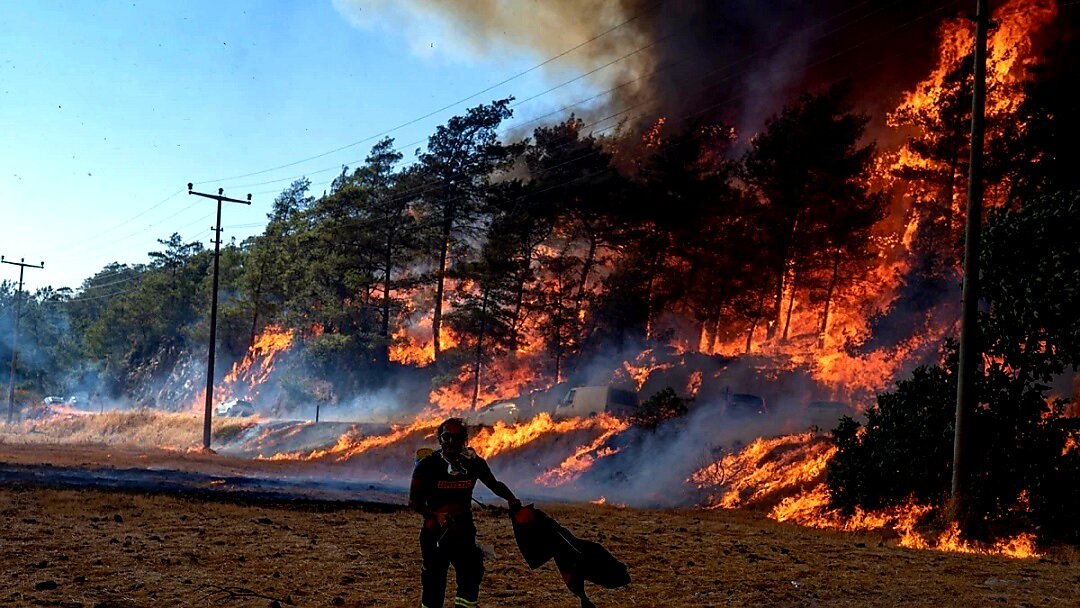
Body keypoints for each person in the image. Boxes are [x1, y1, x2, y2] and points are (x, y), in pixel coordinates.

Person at [410, 417, 521, 608]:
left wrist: (512, 500)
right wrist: (435, 515)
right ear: (439, 439)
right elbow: (414, 502)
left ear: (465, 440)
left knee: (471, 576)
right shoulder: (427, 465)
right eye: (446, 437)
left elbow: (493, 484)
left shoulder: (474, 463)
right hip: (435, 533)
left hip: (464, 532)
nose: (451, 442)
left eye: (457, 437)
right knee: (434, 583)